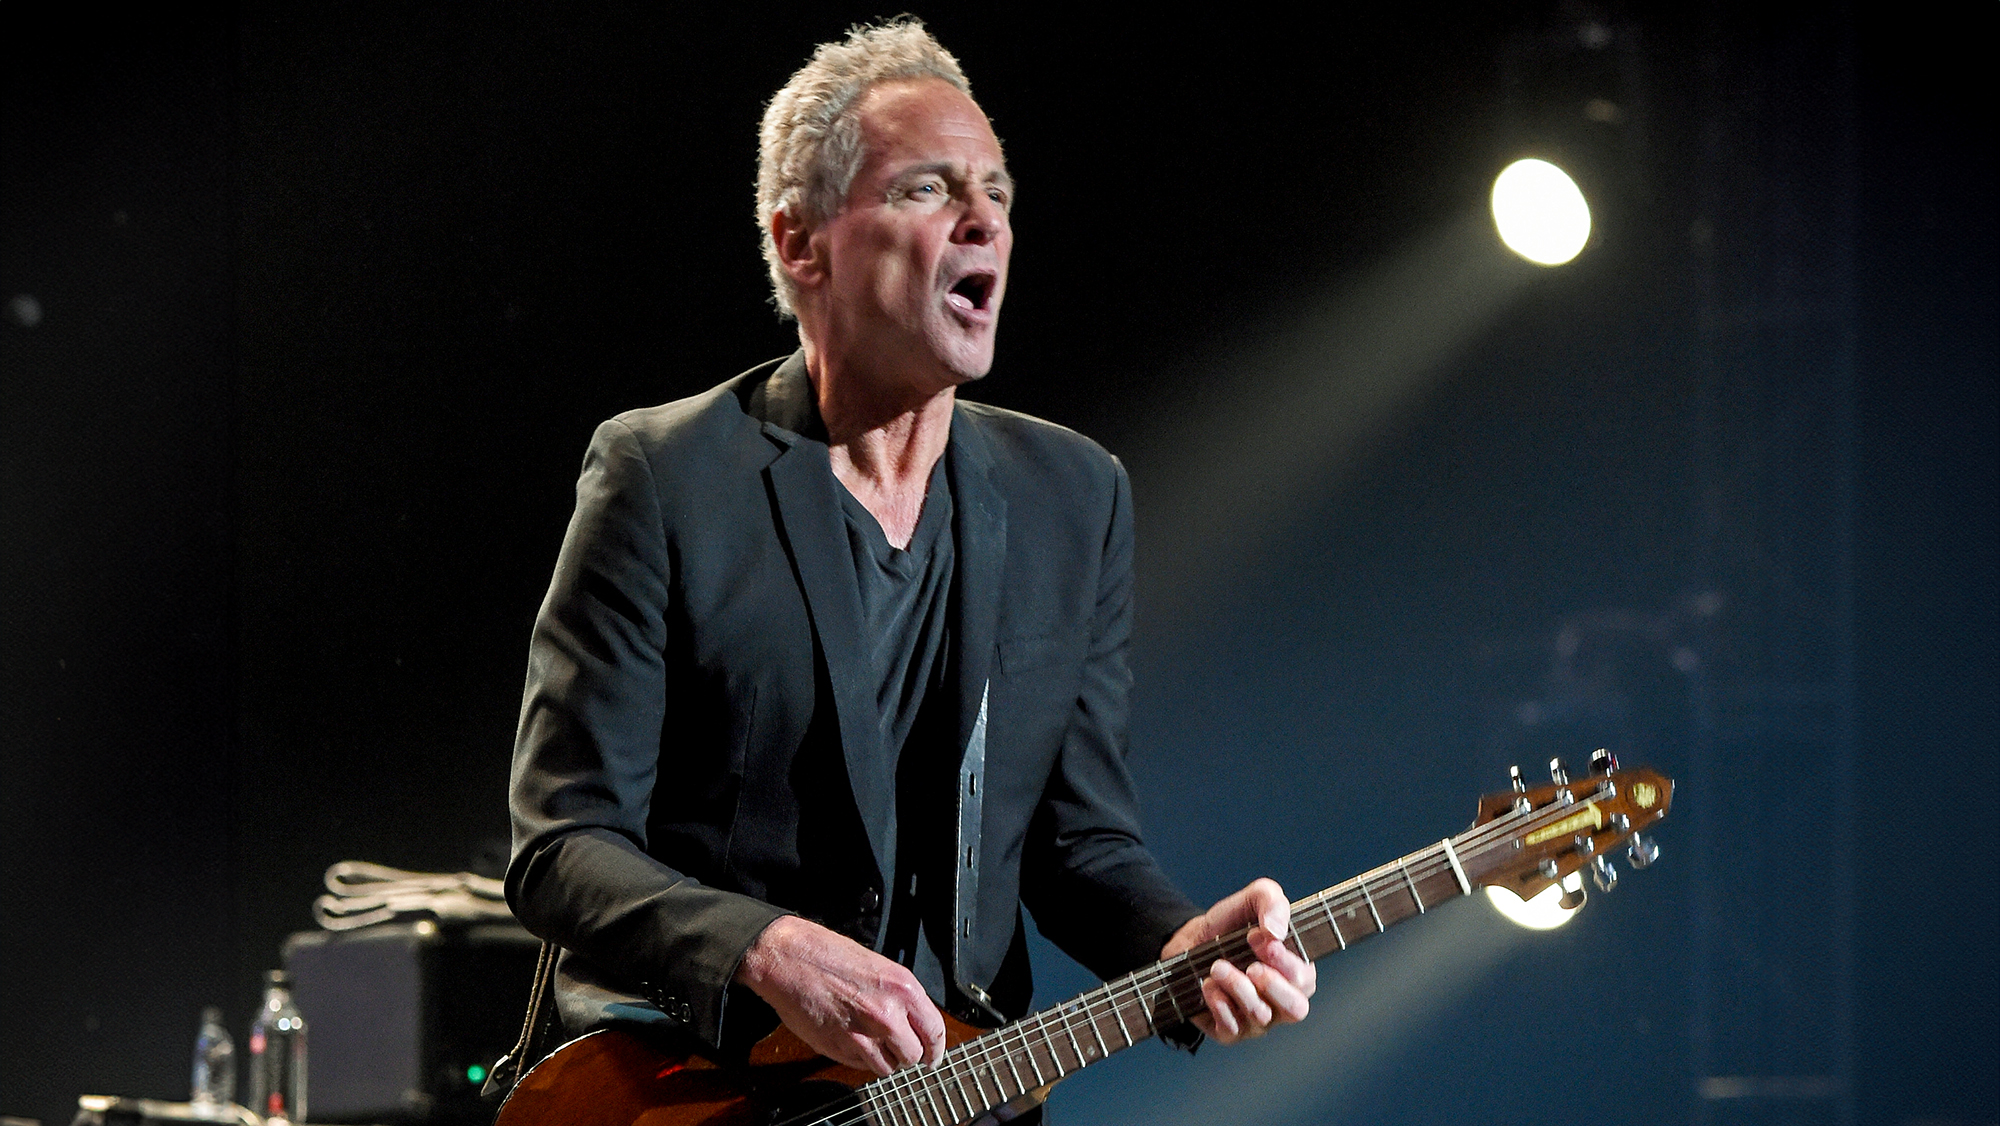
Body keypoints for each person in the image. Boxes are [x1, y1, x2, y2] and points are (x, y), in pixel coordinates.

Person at [503, 18, 1314, 1108]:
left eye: (997, 192)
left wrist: (1175, 937)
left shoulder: (1073, 496)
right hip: (694, 1088)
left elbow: (1076, 842)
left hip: (959, 1094)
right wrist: (767, 949)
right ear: (801, 244)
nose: (983, 220)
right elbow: (562, 843)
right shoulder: (663, 475)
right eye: (927, 190)